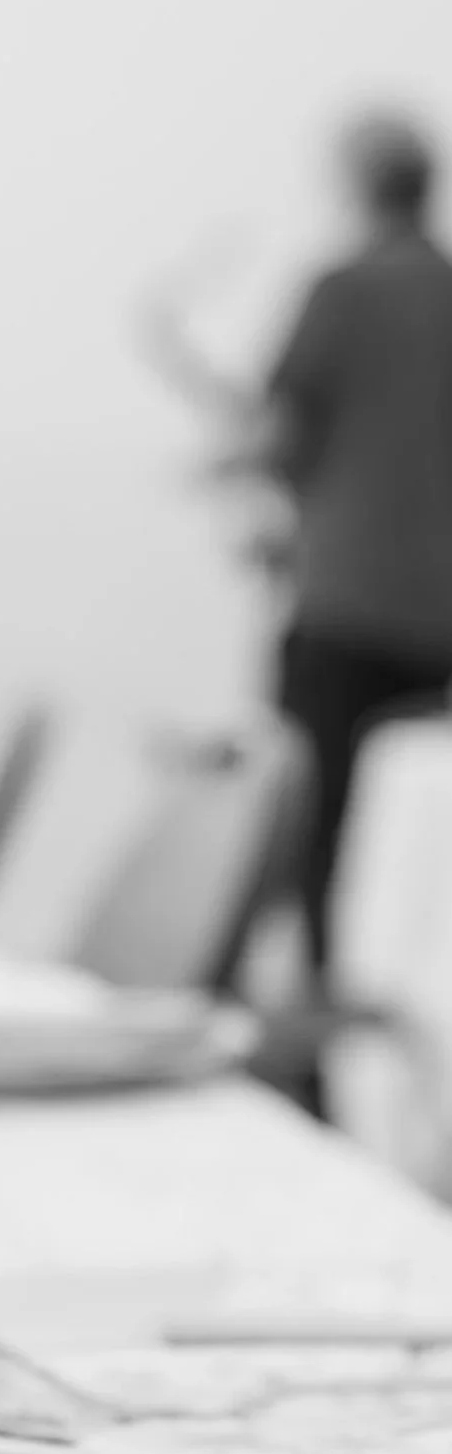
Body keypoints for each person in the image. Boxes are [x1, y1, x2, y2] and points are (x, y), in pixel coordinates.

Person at [266, 114, 452, 973]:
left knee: (317, 834)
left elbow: (281, 441)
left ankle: (316, 1049)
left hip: (343, 607)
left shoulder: (339, 290)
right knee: (414, 852)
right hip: (435, 620)